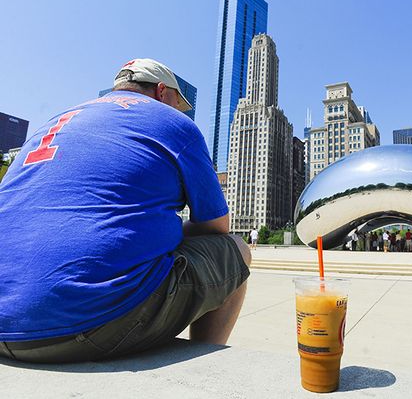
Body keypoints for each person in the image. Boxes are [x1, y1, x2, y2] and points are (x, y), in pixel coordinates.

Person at [0, 59, 251, 363]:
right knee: (235, 249)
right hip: (84, 324)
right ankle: (205, 373)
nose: (177, 111)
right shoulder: (174, 124)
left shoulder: (55, 122)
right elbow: (216, 227)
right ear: (161, 92)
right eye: (176, 102)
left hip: (5, 320)